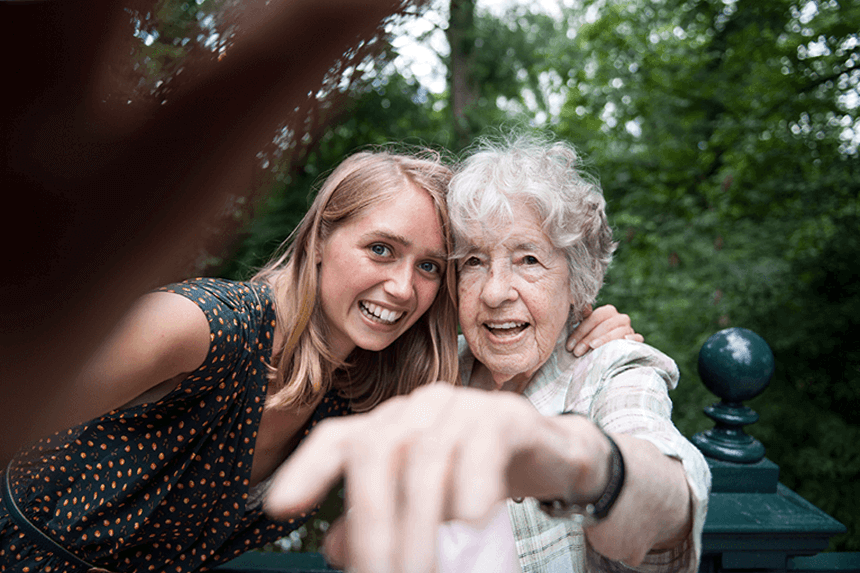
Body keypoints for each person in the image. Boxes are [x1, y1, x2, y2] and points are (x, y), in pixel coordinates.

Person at [0, 147, 638, 573]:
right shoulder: (204, 326)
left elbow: (490, 377)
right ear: (320, 240)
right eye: (381, 249)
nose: (401, 288)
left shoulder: (362, 385)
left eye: (429, 268)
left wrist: (580, 325)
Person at [265, 134, 711, 573]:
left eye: (529, 260)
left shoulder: (612, 370)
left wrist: (580, 458)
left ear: (578, 284)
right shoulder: (426, 366)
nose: (496, 292)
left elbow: (674, 500)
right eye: (474, 261)